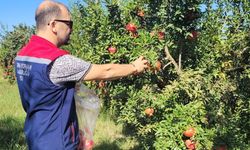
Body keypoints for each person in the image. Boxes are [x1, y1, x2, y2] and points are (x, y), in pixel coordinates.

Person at [14, 0, 148, 150]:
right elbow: (105, 71)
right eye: (69, 24)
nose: (71, 30)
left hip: (36, 135)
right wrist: (134, 67)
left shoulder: (22, 56)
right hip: (58, 142)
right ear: (53, 25)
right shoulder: (57, 61)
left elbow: (46, 90)